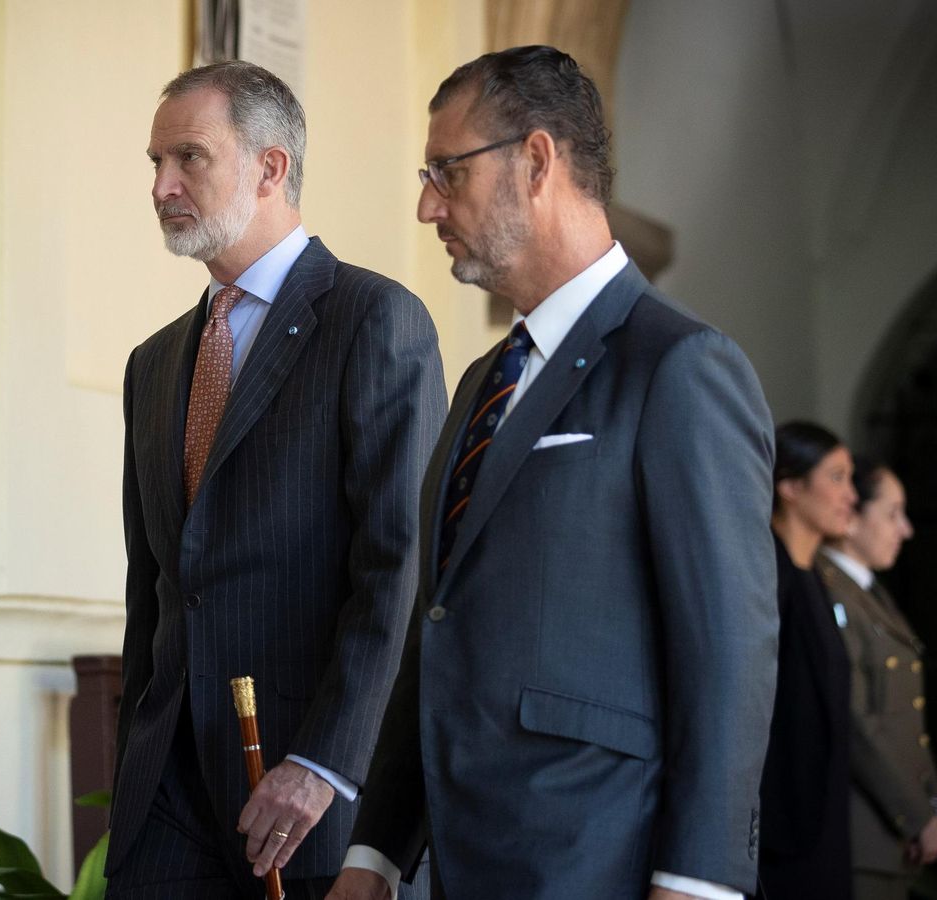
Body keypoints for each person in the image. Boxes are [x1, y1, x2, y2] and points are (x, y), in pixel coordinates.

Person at [329, 45, 778, 900]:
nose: (428, 206)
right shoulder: (480, 382)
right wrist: (374, 854)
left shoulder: (680, 368)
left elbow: (727, 652)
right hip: (459, 867)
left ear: (536, 161)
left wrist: (699, 881)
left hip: (595, 862)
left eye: (446, 173)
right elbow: (440, 626)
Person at [107, 61, 446, 900]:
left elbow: (398, 567)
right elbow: (151, 589)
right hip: (166, 800)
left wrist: (327, 761)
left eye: (188, 158)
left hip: (308, 792)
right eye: (154, 163)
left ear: (270, 168)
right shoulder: (151, 365)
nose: (161, 186)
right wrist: (132, 761)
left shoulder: (376, 319)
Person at [817, 458, 937, 898]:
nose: (906, 529)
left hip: (890, 837)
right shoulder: (827, 590)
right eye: (892, 513)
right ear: (852, 517)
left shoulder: (869, 593)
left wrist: (930, 808)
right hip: (863, 835)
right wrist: (917, 816)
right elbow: (855, 720)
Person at [758, 421, 856, 900]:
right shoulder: (767, 576)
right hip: (780, 835)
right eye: (837, 478)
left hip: (822, 826)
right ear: (791, 487)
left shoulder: (815, 578)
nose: (850, 496)